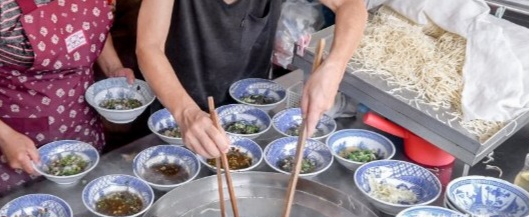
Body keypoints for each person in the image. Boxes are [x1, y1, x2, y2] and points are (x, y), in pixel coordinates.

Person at [0, 0, 134, 204]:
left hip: (83, 131)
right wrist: (4, 138)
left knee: (85, 211)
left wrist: (113, 68)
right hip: (15, 145)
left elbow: (90, 25)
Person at [136, 0, 367, 158]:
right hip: (178, 111)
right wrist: (186, 113)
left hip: (251, 111)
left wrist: (333, 69)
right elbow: (148, 47)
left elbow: (350, 4)